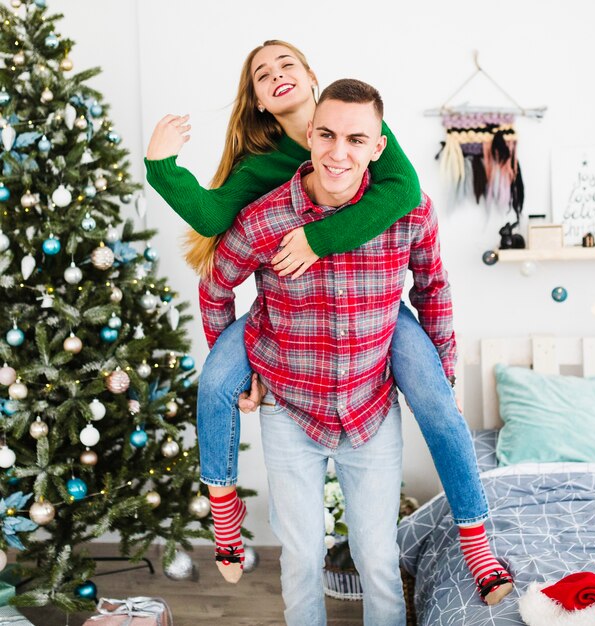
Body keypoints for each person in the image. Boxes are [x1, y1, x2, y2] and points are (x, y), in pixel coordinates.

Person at [145, 42, 513, 605]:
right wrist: (161, 166)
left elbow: (426, 263)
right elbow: (214, 234)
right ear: (286, 117)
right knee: (217, 381)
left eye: (285, 65)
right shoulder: (264, 179)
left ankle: (474, 535)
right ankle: (222, 501)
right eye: (262, 76)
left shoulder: (392, 178)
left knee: (438, 401)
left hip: (377, 346)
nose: (339, 151)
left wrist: (318, 239)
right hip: (287, 367)